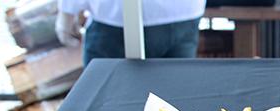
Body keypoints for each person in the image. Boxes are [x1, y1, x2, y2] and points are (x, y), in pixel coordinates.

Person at [55, 0, 206, 66]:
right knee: (174, 97)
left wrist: (67, 10)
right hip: (184, 13)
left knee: (105, 101)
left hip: (116, 19)